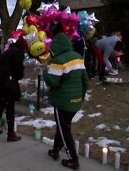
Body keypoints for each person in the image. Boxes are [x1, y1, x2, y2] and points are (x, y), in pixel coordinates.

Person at [43, 33, 89, 170]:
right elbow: (85, 81)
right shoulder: (78, 58)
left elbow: (53, 81)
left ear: (56, 46)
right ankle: (55, 150)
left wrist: (46, 71)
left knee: (64, 130)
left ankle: (73, 160)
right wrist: (80, 97)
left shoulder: (58, 60)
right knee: (63, 127)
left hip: (62, 102)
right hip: (75, 102)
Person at [0, 42, 25, 142]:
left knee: (0, 106)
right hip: (7, 84)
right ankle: (11, 134)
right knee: (10, 109)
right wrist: (17, 76)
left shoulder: (5, 53)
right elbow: (19, 70)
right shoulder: (17, 53)